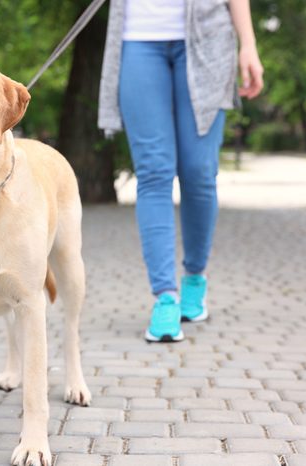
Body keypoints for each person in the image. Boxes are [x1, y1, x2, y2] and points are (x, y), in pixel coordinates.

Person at [98, 0, 264, 342]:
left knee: (199, 172)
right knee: (154, 173)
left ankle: (195, 278)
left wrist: (248, 43)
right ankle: (165, 297)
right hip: (138, 39)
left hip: (209, 39)